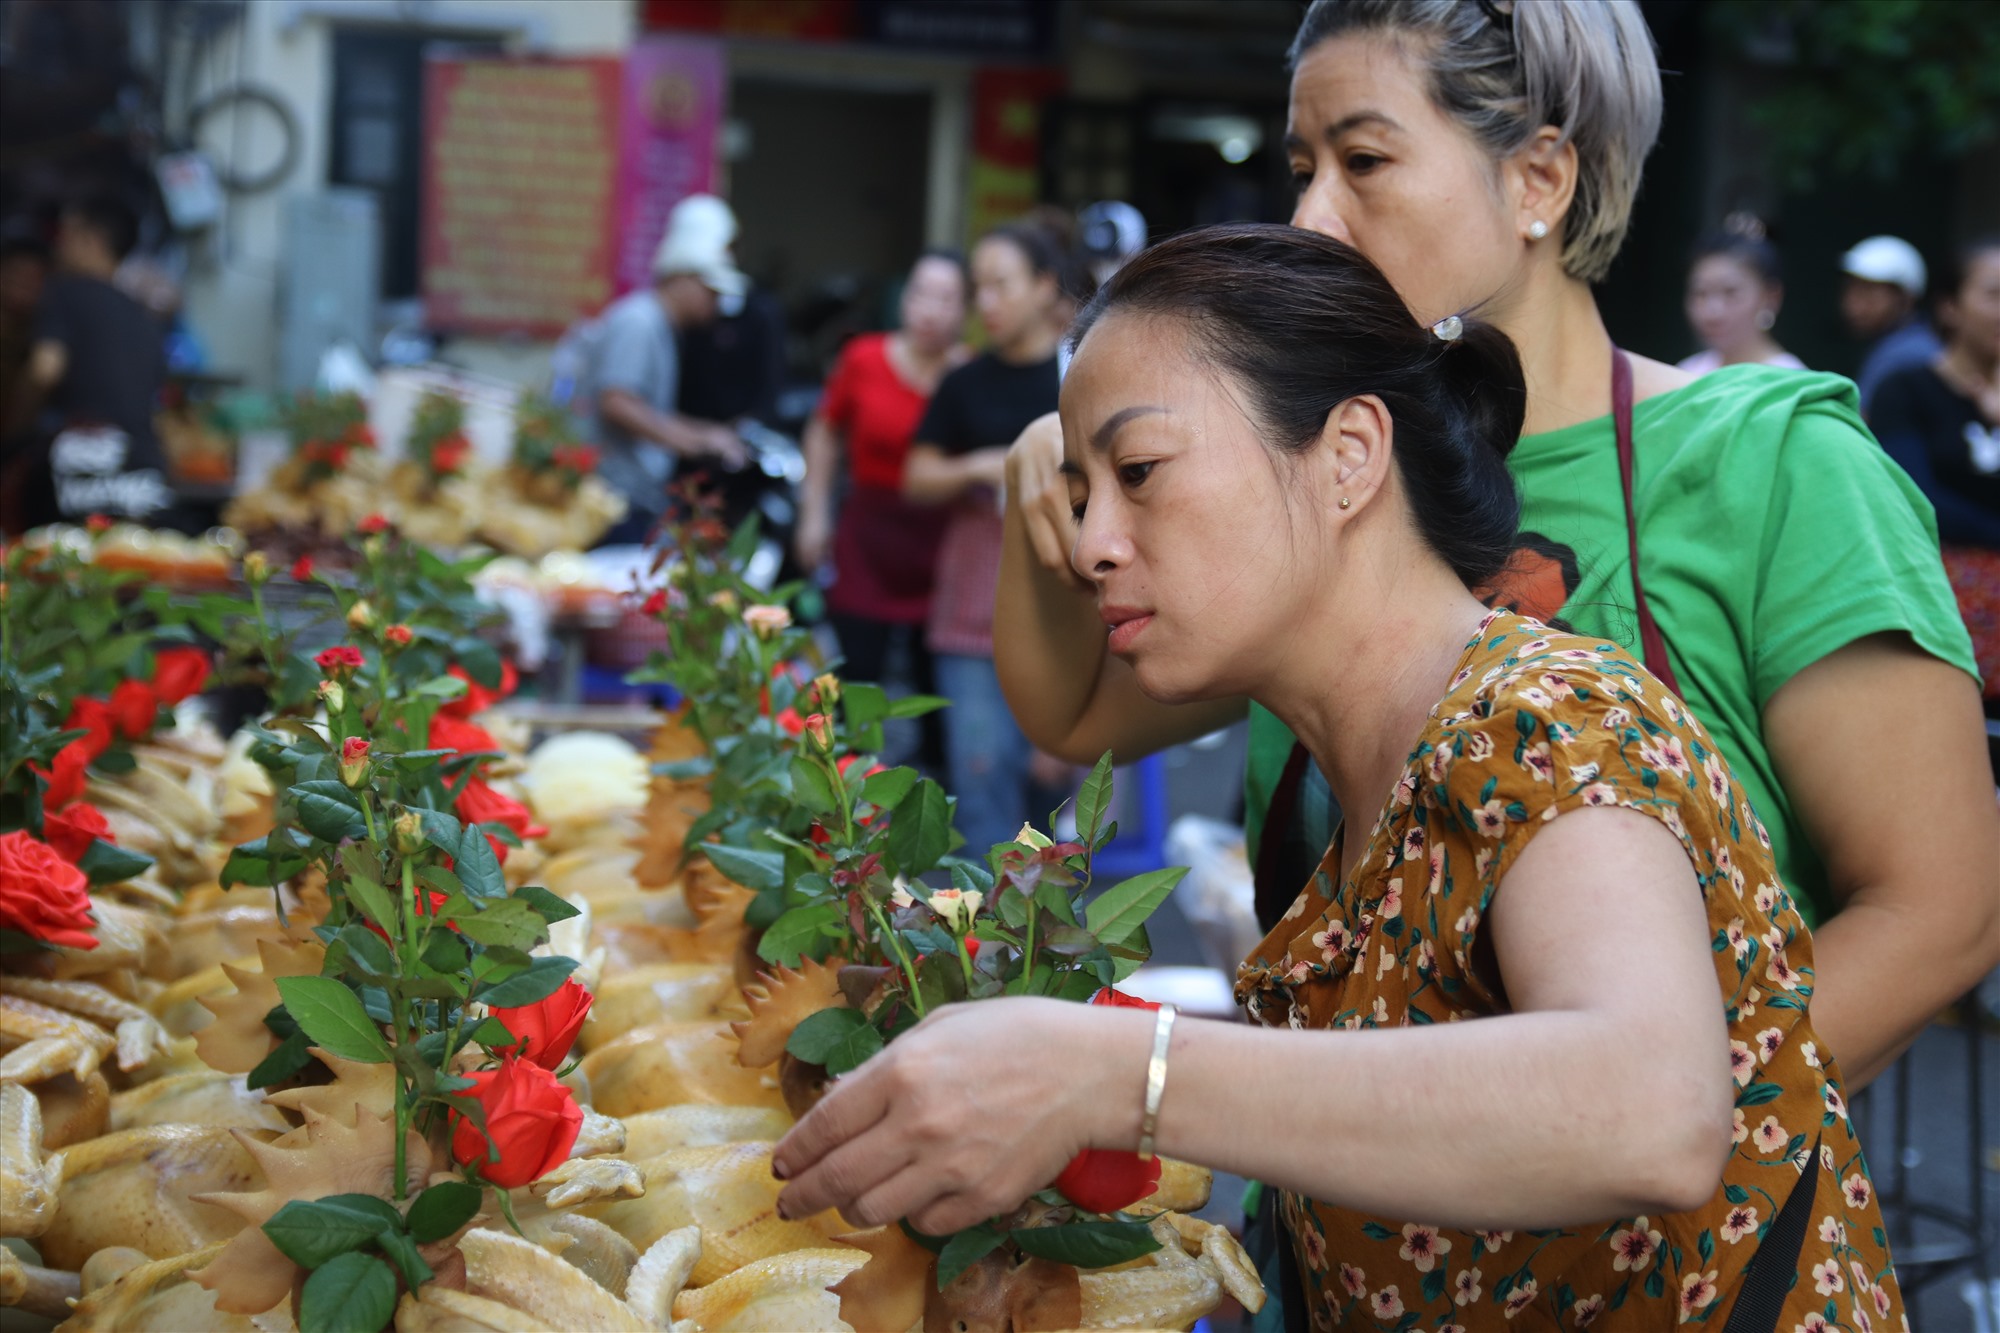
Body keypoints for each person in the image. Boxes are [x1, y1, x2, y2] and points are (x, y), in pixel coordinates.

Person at [773, 226, 1908, 1332]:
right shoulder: (1368, 771)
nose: (1092, 544)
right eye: (1081, 491)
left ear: (1350, 457)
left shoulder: (1542, 717)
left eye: (1140, 471)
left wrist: (1117, 1070)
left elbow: (1649, 1112)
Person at [993, 0, 1997, 1094]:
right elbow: (1078, 712)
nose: (1313, 218)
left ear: (1537, 180)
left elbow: (1936, 912)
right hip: (1338, 1238)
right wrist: (1055, 474)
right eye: (1300, 169)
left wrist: (1634, 1147)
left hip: (1654, 1246)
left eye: (1363, 159)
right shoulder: (1325, 475)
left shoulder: (1772, 464)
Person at [905, 223, 1065, 856]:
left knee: (1049, 799)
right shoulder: (965, 382)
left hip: (1065, 615)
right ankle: (987, 944)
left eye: (1002, 285)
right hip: (973, 610)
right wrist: (981, 464)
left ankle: (1049, 949)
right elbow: (915, 477)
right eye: (980, 288)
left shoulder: (1080, 376)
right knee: (980, 783)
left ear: (1045, 287)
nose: (986, 303)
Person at [795, 250, 971, 765]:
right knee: (855, 683)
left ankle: (935, 814)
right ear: (904, 299)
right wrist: (813, 512)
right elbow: (825, 430)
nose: (930, 311)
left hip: (943, 546)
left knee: (938, 693)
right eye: (921, 294)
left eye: (946, 299)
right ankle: (845, 812)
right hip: (867, 538)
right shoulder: (864, 358)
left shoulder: (972, 373)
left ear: (964, 310)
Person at [1869, 236, 2000, 698]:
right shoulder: (1906, 390)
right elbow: (1915, 494)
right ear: (1949, 307)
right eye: (1993, 294)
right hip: (1941, 595)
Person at [583, 193, 750, 540]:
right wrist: (691, 441)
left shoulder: (661, 326)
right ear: (684, 277)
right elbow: (618, 402)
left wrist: (702, 433)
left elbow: (644, 407)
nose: (714, 304)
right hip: (613, 500)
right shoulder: (640, 322)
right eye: (710, 291)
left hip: (635, 499)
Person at [2, 195, 175, 529]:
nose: (58, 247)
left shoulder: (63, 293)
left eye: (65, 235)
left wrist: (13, 435)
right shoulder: (142, 314)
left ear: (89, 239)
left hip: (76, 472)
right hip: (143, 471)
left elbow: (44, 370)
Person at [1677, 224, 1804, 375]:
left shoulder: (1791, 379)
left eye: (1731, 292)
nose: (1713, 311)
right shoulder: (1687, 370)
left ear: (1770, 297)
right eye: (1700, 293)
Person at [1841, 234, 1942, 417]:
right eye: (1851, 289)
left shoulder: (1909, 354)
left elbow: (1861, 421)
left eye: (1869, 292)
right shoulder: (1891, 344)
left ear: (1905, 299)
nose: (1854, 304)